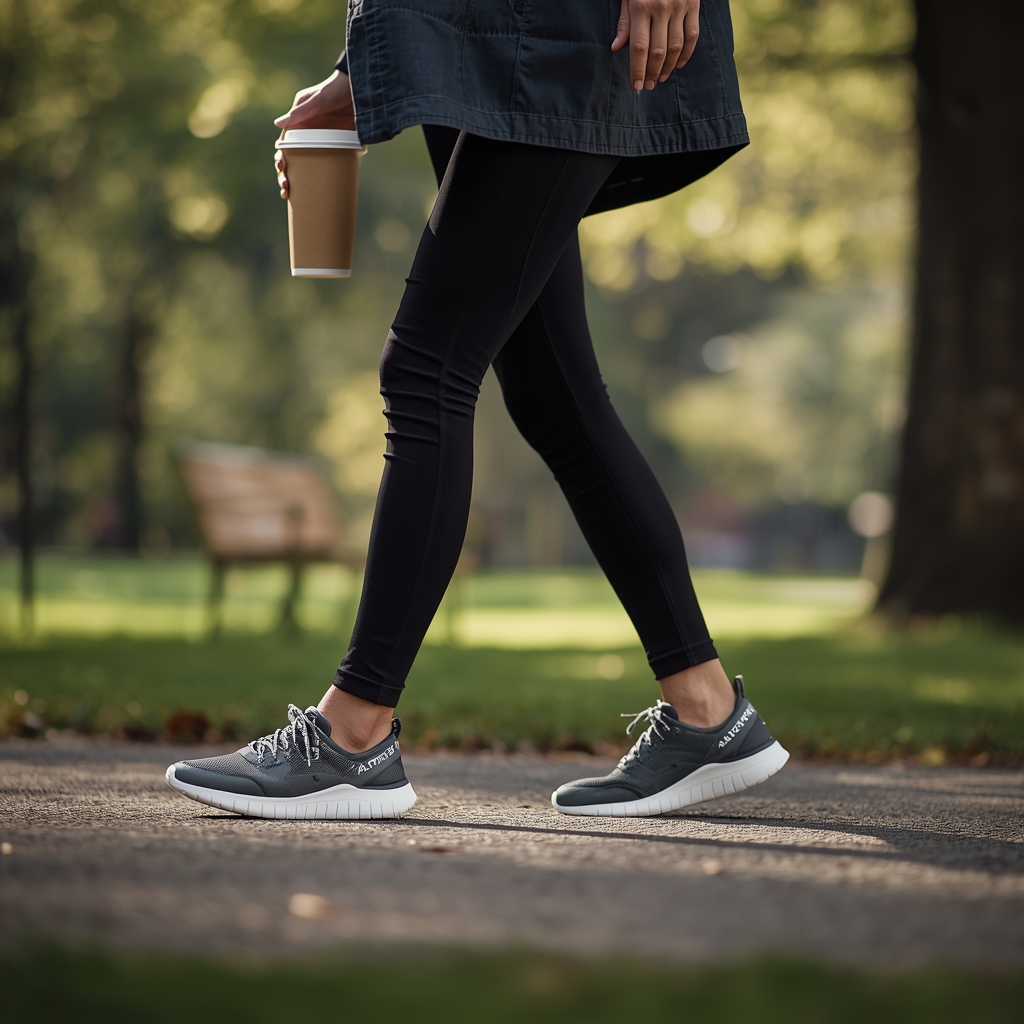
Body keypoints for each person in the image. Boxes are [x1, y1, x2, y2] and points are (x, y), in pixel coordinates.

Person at [165, 0, 789, 820]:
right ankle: (706, 711)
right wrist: (362, 71)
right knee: (554, 395)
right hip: (474, 40)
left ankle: (352, 736)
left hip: (562, 34)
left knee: (425, 367)